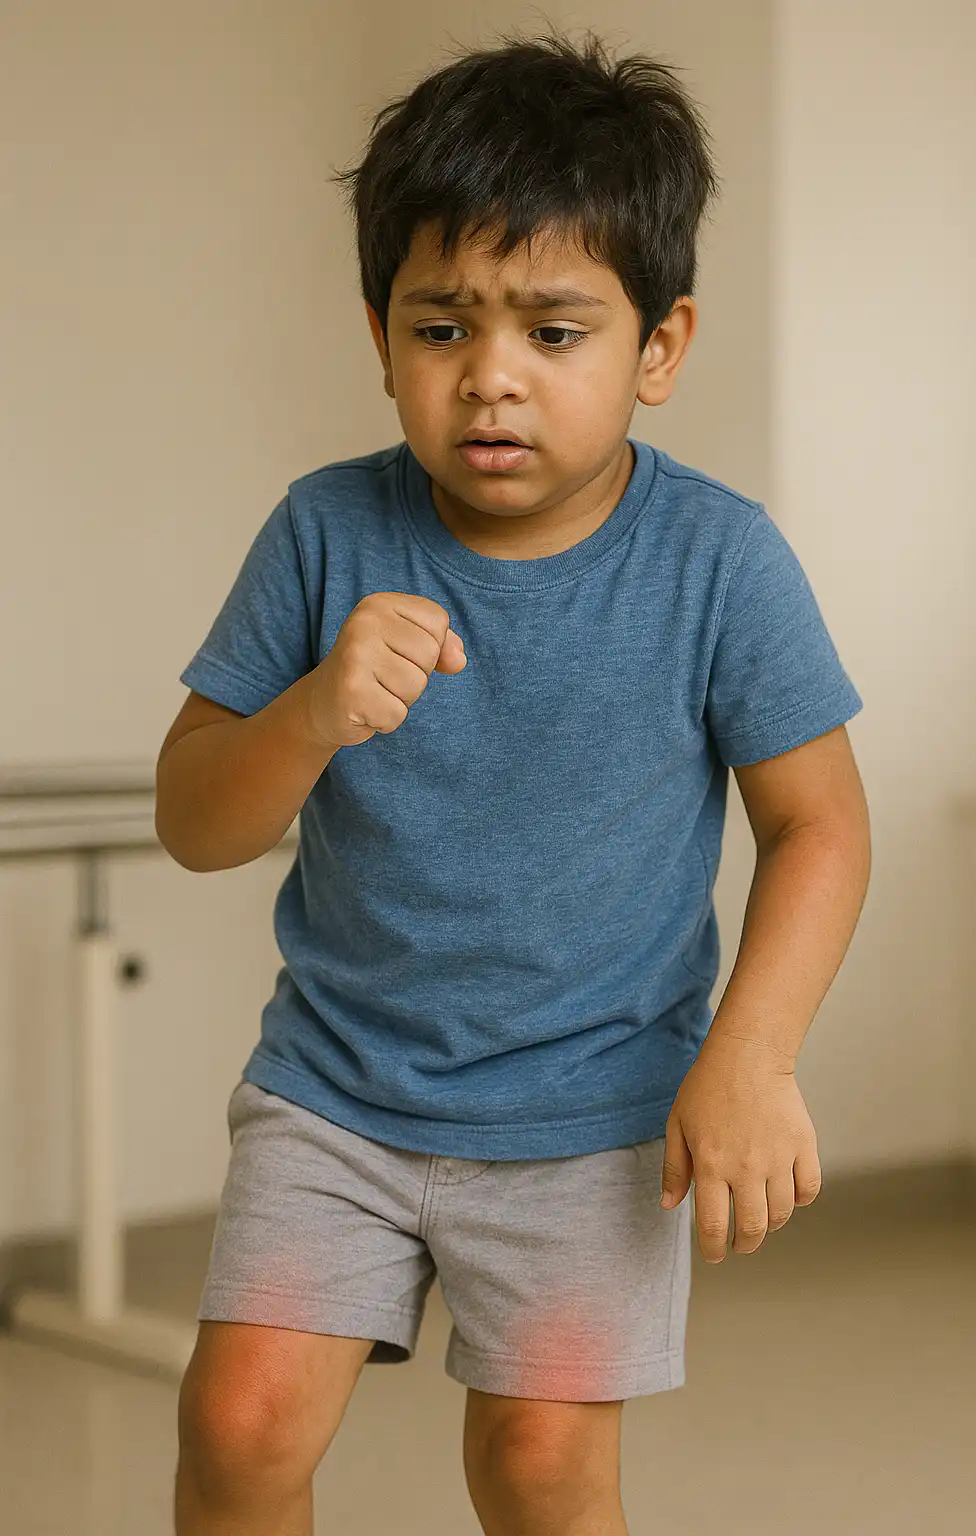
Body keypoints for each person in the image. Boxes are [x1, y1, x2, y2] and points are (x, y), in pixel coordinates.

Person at [156, 26, 871, 1536]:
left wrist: (751, 1056)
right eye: (441, 328)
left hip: (592, 1120)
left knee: (540, 1468)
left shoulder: (719, 561)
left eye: (554, 332)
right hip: (335, 1098)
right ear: (379, 334)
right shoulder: (321, 532)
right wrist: (307, 716)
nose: (490, 379)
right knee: (237, 1426)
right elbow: (196, 818)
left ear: (658, 348)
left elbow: (819, 826)